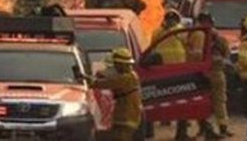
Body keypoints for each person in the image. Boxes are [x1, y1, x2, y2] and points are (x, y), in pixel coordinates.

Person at [188, 11, 232, 139]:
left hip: (201, 73)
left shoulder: (196, 35)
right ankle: (220, 128)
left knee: (203, 100)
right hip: (215, 72)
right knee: (218, 101)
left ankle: (206, 128)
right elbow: (226, 55)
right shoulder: (219, 38)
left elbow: (192, 54)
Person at [151, 9, 190, 141]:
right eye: (170, 20)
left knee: (168, 96)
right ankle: (174, 122)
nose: (171, 22)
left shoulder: (174, 31)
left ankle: (170, 122)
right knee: (175, 97)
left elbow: (152, 48)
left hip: (169, 68)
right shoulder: (179, 31)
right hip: (174, 68)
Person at [90, 47, 142, 141]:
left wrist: (89, 80)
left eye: (117, 64)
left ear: (123, 64)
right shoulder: (130, 76)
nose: (116, 66)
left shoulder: (127, 78)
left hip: (126, 119)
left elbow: (105, 83)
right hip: (125, 118)